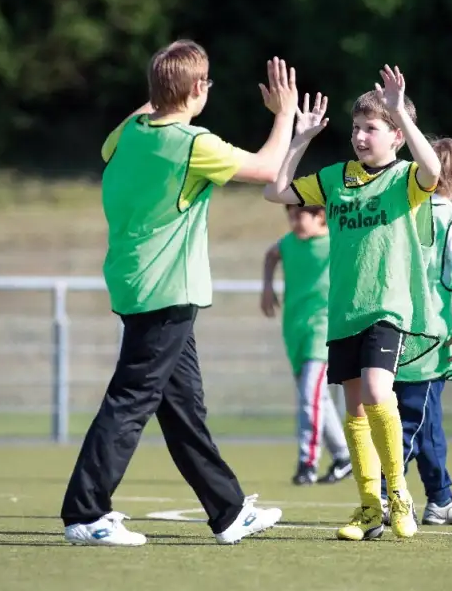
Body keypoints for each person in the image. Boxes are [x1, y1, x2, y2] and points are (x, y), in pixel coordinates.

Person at [60, 40, 307, 546]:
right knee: (131, 400)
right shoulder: (194, 143)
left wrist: (161, 88)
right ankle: (85, 512)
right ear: (197, 89)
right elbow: (266, 169)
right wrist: (284, 114)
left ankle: (228, 511)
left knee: (183, 407)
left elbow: (137, 122)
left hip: (142, 286)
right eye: (206, 83)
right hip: (165, 292)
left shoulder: (129, 133)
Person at [263, 67, 446, 541]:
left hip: (387, 308)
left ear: (396, 136)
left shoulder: (405, 178)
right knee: (354, 412)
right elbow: (275, 190)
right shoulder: (336, 178)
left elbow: (434, 171)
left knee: (376, 393)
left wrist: (402, 112)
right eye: (356, 128)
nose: (360, 136)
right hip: (343, 310)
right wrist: (300, 138)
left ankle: (398, 494)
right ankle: (369, 506)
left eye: (372, 128)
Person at [380, 137, 452, 526]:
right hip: (430, 333)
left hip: (393, 328)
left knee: (427, 418)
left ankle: (440, 497)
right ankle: (383, 495)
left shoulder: (402, 215)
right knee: (412, 419)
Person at [261, 204, 352, 486]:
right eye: (290, 216)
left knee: (309, 397)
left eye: (299, 215)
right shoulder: (288, 243)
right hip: (295, 331)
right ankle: (344, 457)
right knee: (316, 398)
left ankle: (307, 462)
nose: (294, 222)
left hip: (322, 330)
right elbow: (271, 255)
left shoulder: (336, 241)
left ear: (319, 216)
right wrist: (267, 286)